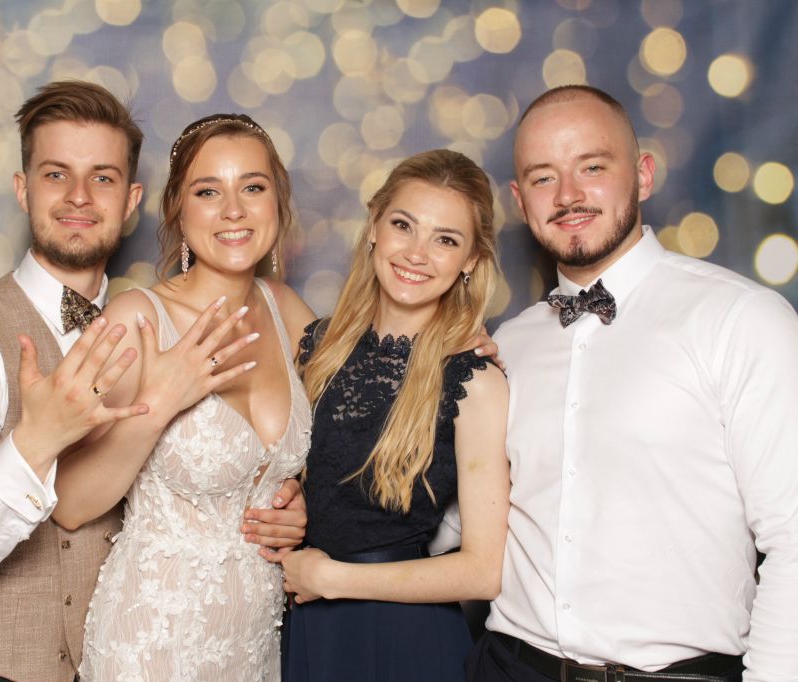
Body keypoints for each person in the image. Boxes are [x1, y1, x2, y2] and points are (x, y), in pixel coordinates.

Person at [0, 86, 305, 682]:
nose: (79, 197)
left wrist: (294, 503)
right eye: (56, 175)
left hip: (204, 641)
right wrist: (40, 439)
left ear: (132, 200)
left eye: (103, 178)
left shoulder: (158, 316)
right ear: (23, 189)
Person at [466, 85, 798, 682]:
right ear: (519, 199)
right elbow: (468, 513)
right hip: (509, 666)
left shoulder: (742, 320)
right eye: (543, 178)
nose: (568, 195)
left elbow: (793, 536)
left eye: (592, 167)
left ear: (643, 175)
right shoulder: (507, 345)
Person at [51, 114, 315, 681]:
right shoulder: (136, 320)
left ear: (277, 201)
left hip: (251, 643)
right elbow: (68, 502)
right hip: (151, 640)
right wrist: (160, 403)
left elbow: (363, 429)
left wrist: (302, 507)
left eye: (252, 187)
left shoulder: (288, 311)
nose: (233, 210)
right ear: (177, 209)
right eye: (208, 192)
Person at [279, 149, 510, 681]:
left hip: (403, 635)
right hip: (307, 621)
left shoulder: (474, 379)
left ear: (470, 260)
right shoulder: (319, 346)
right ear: (374, 226)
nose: (417, 254)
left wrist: (334, 579)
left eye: (445, 240)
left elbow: (484, 571)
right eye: (403, 225)